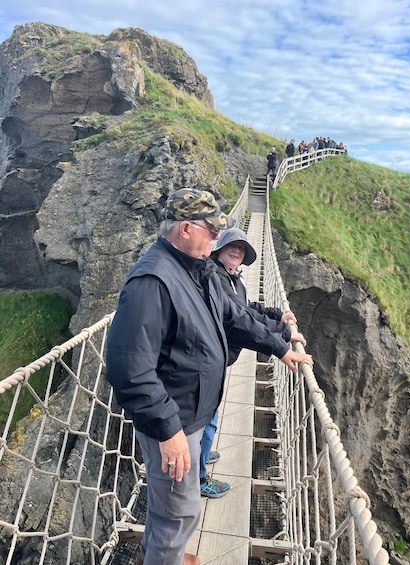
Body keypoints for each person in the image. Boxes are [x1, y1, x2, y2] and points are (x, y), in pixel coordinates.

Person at [106, 187, 313, 565]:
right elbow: (129, 369)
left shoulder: (197, 270)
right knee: (179, 510)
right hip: (174, 420)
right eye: (211, 229)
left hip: (192, 411)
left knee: (167, 503)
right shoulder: (153, 282)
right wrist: (169, 431)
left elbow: (235, 318)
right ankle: (164, 555)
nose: (218, 237)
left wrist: (279, 343)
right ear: (186, 228)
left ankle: (157, 554)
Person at [199, 228, 308, 496]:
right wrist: (281, 344)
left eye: (242, 249)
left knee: (208, 414)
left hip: (215, 355)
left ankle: (202, 452)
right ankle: (198, 476)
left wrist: (278, 315)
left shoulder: (234, 278)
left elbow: (248, 309)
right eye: (232, 246)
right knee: (205, 415)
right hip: (206, 356)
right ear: (218, 248)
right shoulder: (215, 276)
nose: (237, 251)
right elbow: (238, 321)